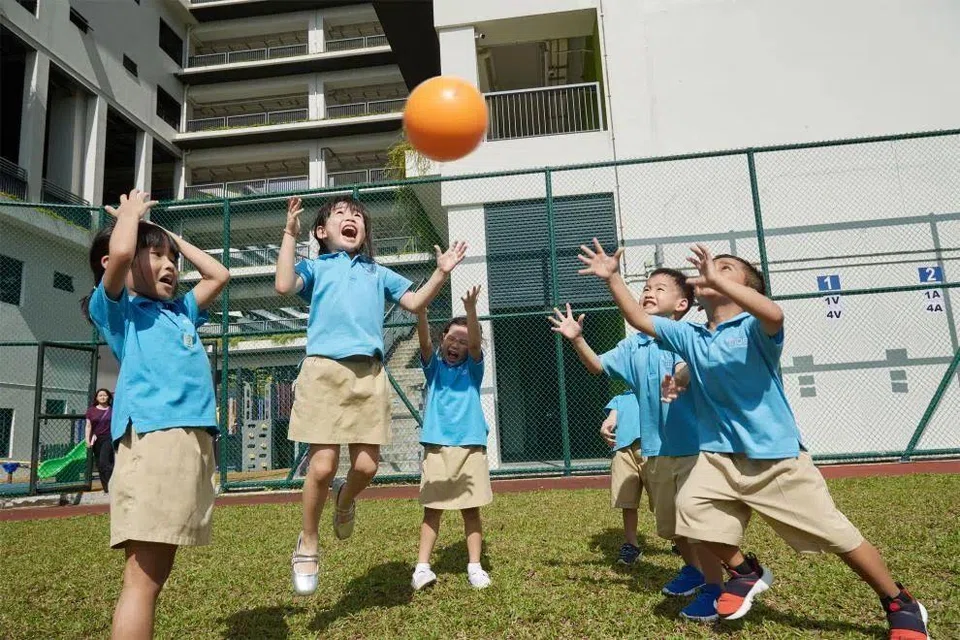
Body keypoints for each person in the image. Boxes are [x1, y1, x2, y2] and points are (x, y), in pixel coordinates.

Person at [578, 239, 929, 638]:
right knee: (690, 509)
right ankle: (746, 572)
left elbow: (774, 313)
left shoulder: (754, 329)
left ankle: (898, 601)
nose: (714, 270)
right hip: (717, 457)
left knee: (835, 534)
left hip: (776, 457)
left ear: (745, 292)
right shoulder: (691, 337)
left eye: (727, 269)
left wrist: (722, 282)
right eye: (714, 268)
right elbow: (641, 321)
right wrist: (613, 279)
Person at [275, 195, 466, 596]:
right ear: (321, 232)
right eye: (341, 214)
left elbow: (415, 302)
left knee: (366, 467)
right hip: (324, 371)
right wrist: (289, 236)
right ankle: (308, 541)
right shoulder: (315, 267)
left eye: (358, 215)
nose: (352, 218)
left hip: (369, 374)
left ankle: (345, 500)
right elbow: (282, 284)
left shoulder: (377, 273)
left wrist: (441, 273)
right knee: (322, 466)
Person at [84, 189, 230, 640]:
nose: (170, 266)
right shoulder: (121, 313)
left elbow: (219, 274)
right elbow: (121, 252)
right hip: (155, 440)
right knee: (143, 579)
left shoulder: (178, 312)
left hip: (188, 442)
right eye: (156, 257)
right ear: (116, 268)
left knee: (155, 574)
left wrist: (171, 239)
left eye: (172, 260)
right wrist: (130, 217)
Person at [551, 269, 729, 621]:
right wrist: (576, 339)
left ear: (681, 305)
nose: (649, 292)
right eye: (646, 288)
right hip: (656, 449)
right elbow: (597, 366)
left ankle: (716, 587)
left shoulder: (687, 335)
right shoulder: (633, 345)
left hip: (694, 449)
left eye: (659, 289)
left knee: (697, 523)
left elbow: (688, 369)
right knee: (672, 527)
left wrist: (680, 378)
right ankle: (694, 571)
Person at [411, 285, 493, 591]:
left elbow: (474, 345)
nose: (456, 344)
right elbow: (423, 342)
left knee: (471, 510)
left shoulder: (473, 370)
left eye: (462, 339)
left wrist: (470, 309)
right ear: (442, 341)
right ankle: (422, 567)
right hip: (437, 448)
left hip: (470, 447)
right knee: (433, 509)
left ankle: (474, 566)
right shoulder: (434, 369)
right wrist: (421, 312)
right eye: (451, 338)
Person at [598, 390, 646, 565]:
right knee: (627, 500)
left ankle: (679, 539)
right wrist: (606, 427)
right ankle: (631, 545)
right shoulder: (620, 399)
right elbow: (611, 418)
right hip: (623, 450)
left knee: (665, 499)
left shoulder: (657, 391)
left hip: (654, 450)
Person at [84, 388, 115, 493]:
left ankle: (113, 485)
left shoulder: (113, 410)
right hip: (96, 439)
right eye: (100, 395)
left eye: (105, 395)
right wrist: (87, 440)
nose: (102, 397)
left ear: (108, 397)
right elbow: (88, 426)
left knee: (104, 461)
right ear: (96, 398)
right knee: (100, 464)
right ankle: (106, 488)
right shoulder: (91, 411)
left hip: (109, 438)